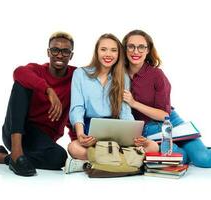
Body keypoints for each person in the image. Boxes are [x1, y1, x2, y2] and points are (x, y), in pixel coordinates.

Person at [122, 29, 211, 168]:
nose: (136, 51)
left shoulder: (156, 75)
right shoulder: (118, 75)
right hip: (147, 132)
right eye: (131, 46)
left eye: (141, 47)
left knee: (204, 159)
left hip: (171, 123)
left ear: (147, 50)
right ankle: (192, 152)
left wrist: (134, 103)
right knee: (180, 159)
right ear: (125, 49)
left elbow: (164, 115)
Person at [0, 31, 77, 176]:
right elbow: (19, 72)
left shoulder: (76, 77)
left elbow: (76, 109)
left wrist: (77, 141)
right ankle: (16, 154)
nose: (59, 55)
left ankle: (2, 157)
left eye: (65, 51)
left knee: (60, 158)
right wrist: (48, 90)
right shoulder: (36, 70)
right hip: (16, 131)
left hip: (40, 140)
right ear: (48, 52)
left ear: (71, 55)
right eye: (55, 50)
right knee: (21, 84)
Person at [64, 33, 154, 174]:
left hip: (117, 130)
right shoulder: (80, 74)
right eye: (103, 49)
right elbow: (77, 108)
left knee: (153, 146)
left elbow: (125, 111)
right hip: (91, 131)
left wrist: (134, 136)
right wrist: (81, 135)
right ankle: (125, 162)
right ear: (97, 52)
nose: (108, 54)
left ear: (119, 54)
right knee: (73, 148)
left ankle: (95, 163)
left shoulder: (122, 76)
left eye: (114, 50)